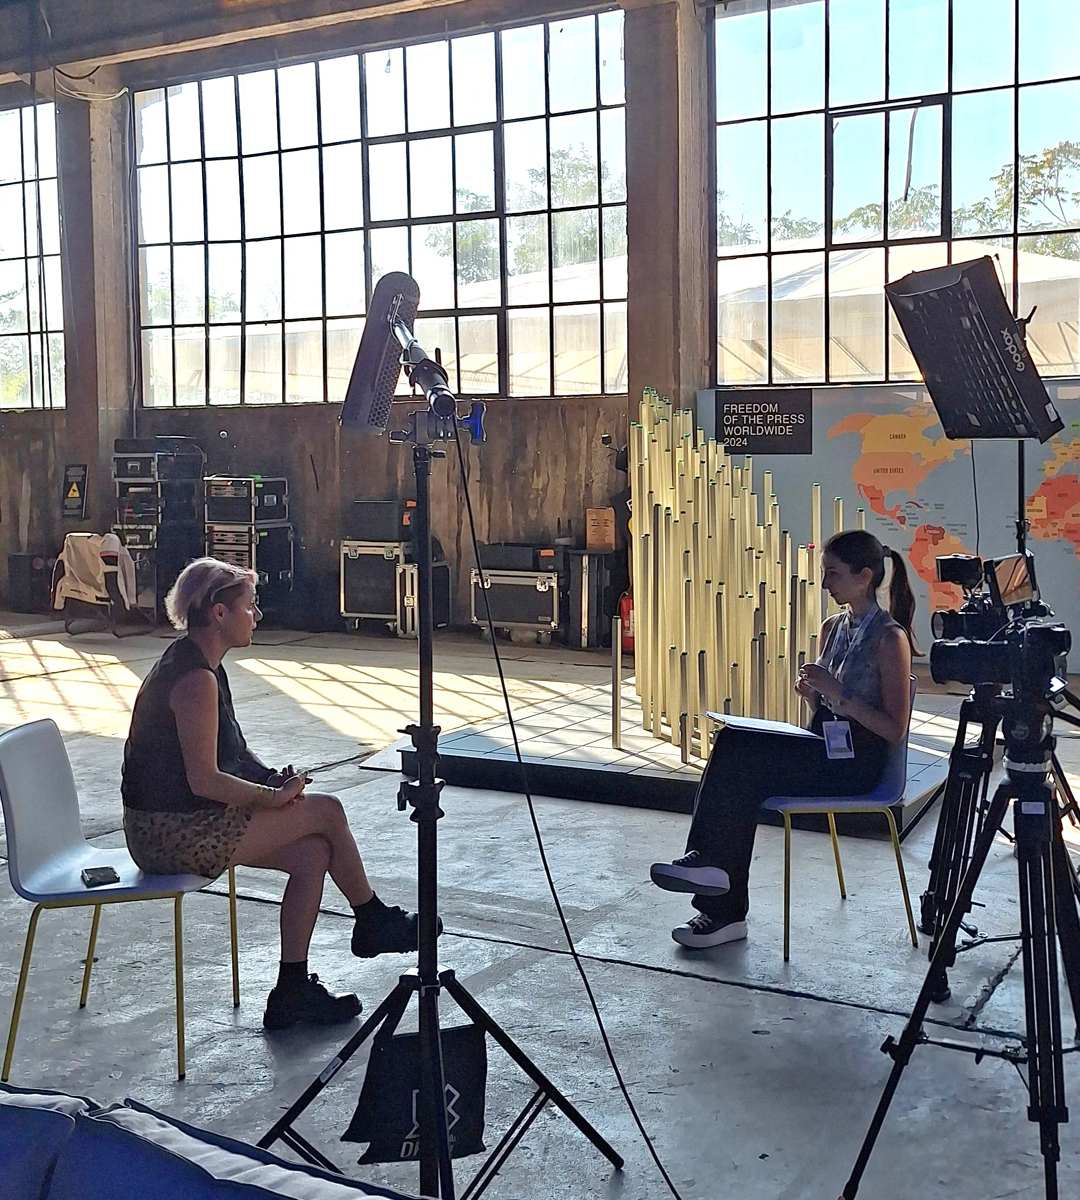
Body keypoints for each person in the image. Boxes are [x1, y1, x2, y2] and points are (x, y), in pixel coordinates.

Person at [122, 557, 433, 1031]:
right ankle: (371, 919)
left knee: (312, 853)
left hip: (181, 820)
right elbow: (204, 780)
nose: (257, 615)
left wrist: (270, 781)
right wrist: (272, 799)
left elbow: (235, 754)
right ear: (219, 613)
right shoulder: (193, 680)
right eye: (250, 606)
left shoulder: (202, 665)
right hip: (167, 834)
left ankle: (291, 991)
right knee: (327, 811)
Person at [649, 529, 918, 949]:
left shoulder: (890, 638)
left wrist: (838, 692)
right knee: (735, 743)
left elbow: (894, 729)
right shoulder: (835, 627)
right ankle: (715, 884)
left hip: (858, 764)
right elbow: (828, 711)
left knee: (743, 762)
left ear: (864, 577)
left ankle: (720, 898)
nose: (825, 583)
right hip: (823, 746)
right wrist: (817, 697)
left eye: (833, 574)